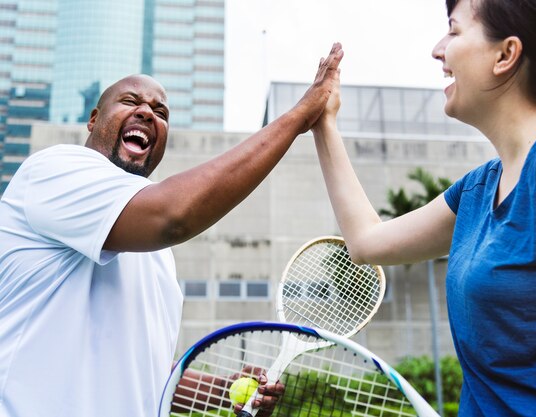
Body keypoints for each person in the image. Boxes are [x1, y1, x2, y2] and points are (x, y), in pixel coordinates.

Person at [311, 1, 536, 416]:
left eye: (454, 32)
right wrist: (324, 123)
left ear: (505, 54)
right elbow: (367, 242)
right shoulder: (479, 188)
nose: (438, 50)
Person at [0, 42, 343, 417]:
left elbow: (149, 377)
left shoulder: (158, 256)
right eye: (131, 101)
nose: (147, 113)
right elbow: (174, 214)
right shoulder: (54, 170)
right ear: (94, 119)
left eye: (160, 112)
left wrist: (225, 388)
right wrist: (298, 116)